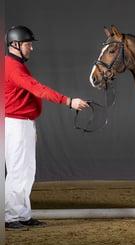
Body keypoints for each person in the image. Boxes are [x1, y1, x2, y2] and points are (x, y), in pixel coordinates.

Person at [5, 25, 89, 230]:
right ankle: (9, 217)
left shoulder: (15, 64)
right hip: (15, 123)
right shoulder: (12, 66)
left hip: (22, 123)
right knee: (18, 171)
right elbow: (38, 89)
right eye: (28, 44)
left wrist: (30, 127)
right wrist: (68, 101)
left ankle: (22, 215)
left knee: (27, 171)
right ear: (15, 45)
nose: (31, 48)